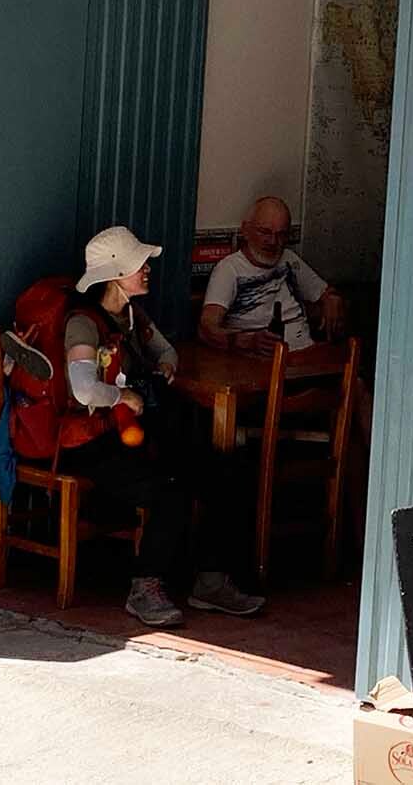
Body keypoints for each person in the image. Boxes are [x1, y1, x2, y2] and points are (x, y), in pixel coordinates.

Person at [58, 225, 264, 627]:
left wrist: (165, 365)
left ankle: (210, 581)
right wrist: (121, 396)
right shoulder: (83, 323)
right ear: (115, 274)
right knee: (170, 491)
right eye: (139, 264)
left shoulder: (132, 315)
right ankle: (144, 587)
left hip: (135, 436)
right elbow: (83, 390)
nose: (147, 269)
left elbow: (164, 348)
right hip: (94, 444)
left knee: (222, 472)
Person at [198, 196, 345, 355]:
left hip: (305, 356)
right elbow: (206, 328)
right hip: (259, 363)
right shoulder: (229, 269)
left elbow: (326, 292)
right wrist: (248, 341)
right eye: (265, 232)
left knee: (357, 377)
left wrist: (332, 299)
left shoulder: (289, 259)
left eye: (281, 234)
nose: (273, 241)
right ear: (245, 231)